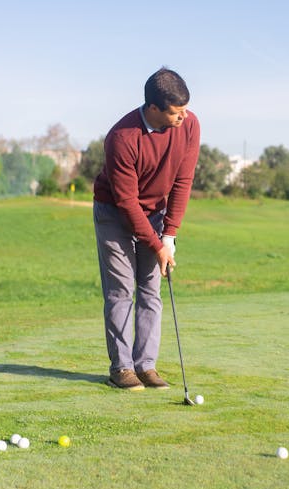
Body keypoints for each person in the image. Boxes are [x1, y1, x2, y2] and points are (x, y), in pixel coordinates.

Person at [93, 68, 200, 391]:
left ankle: (146, 366)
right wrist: (156, 245)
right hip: (114, 213)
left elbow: (182, 181)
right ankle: (122, 368)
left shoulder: (190, 124)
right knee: (121, 290)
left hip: (155, 213)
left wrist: (169, 236)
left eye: (184, 110)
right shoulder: (122, 138)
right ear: (153, 108)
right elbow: (126, 202)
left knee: (151, 289)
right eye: (175, 112)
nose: (183, 117)